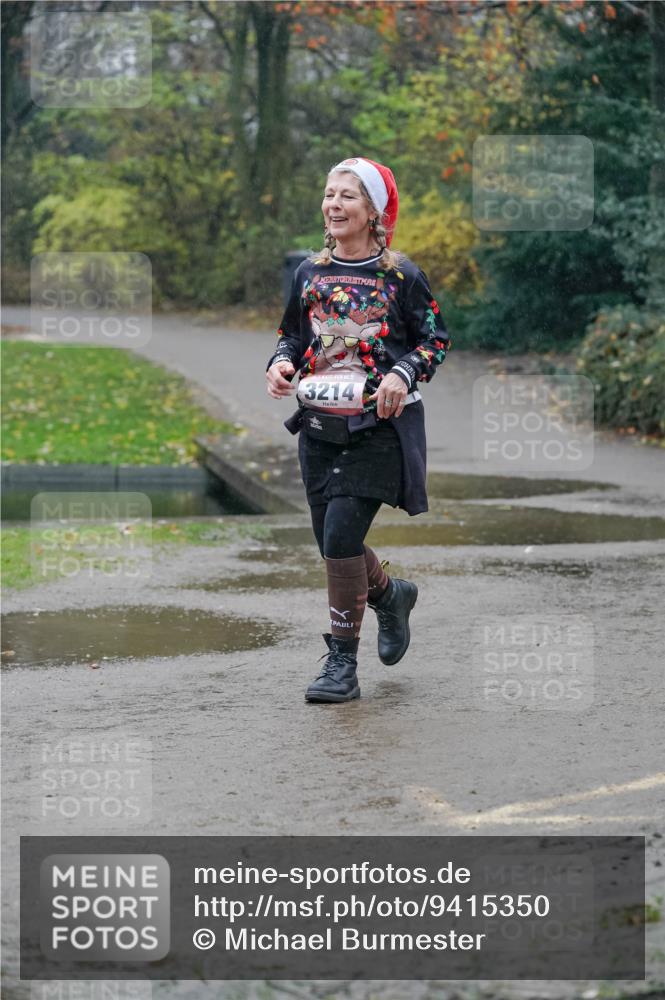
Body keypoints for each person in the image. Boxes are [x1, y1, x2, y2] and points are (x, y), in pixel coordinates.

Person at [266, 156, 451, 704]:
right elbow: (292, 336)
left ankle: (341, 664)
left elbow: (435, 339)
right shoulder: (309, 273)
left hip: (380, 428)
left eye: (348, 195)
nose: (334, 204)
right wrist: (280, 364)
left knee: (343, 535)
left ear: (374, 211)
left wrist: (401, 371)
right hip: (320, 426)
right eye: (329, 194)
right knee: (331, 541)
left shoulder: (402, 276)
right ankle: (391, 596)